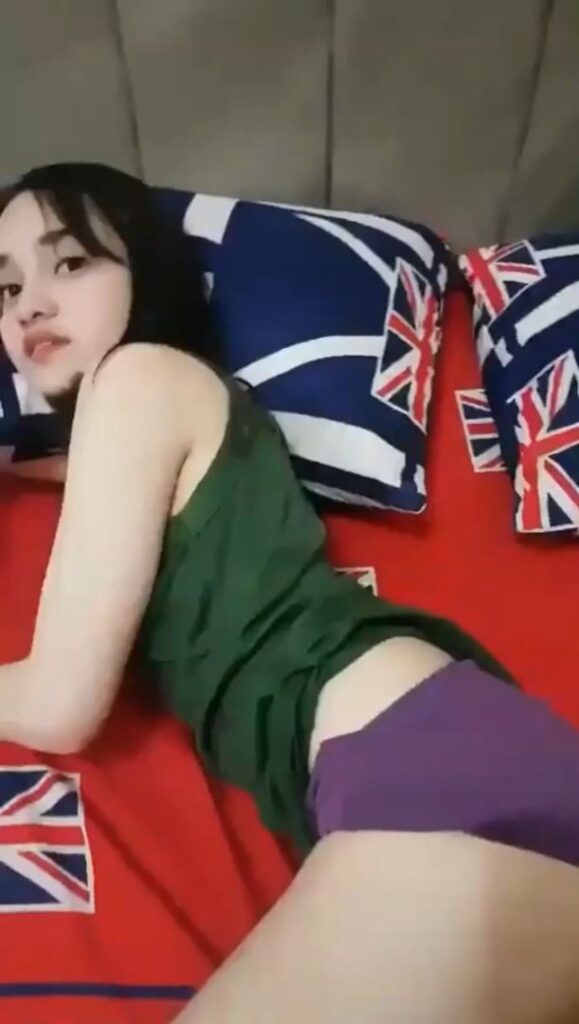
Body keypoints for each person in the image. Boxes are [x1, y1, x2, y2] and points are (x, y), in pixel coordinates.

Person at [1, 163, 579, 1023]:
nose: (30, 306)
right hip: (449, 760)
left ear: (145, 271)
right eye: (7, 287)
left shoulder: (138, 378)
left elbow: (59, 703)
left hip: (424, 770)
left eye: (71, 262)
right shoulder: (154, 414)